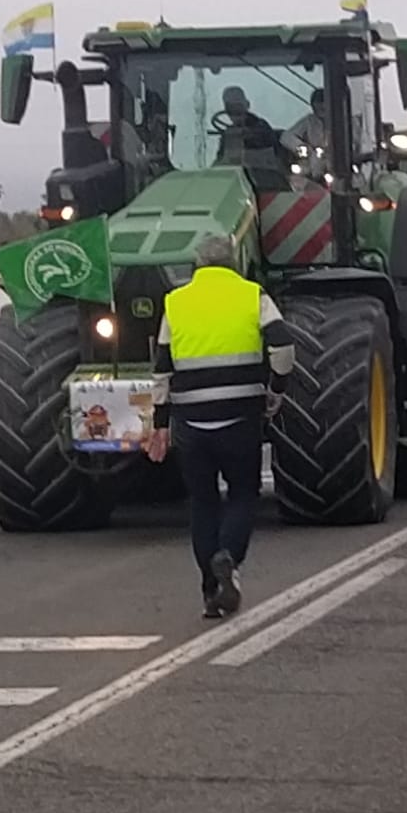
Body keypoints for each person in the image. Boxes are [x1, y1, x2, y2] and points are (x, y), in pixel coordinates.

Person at [144, 234, 295, 617]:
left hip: (191, 422)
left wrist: (160, 425)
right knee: (243, 493)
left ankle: (211, 594)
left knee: (203, 502)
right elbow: (283, 346)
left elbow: (161, 370)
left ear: (197, 265)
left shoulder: (175, 302)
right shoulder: (252, 295)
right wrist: (276, 391)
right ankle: (228, 556)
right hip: (240, 416)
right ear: (233, 263)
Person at [284, 87, 332, 179]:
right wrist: (302, 147)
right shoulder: (309, 121)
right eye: (317, 105)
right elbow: (286, 137)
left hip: (337, 165)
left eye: (323, 104)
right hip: (313, 167)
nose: (321, 108)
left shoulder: (341, 121)